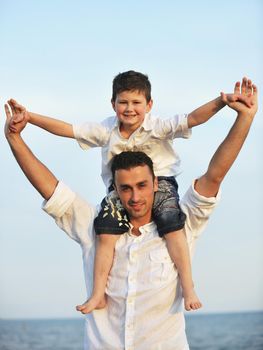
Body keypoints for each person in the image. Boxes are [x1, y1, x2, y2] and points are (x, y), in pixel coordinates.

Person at [5, 77, 257, 349]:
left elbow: (215, 174)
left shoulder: (182, 224)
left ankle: (189, 286)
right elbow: (51, 188)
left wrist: (242, 116)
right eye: (125, 188)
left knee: (173, 224)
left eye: (142, 186)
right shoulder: (97, 227)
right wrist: (17, 134)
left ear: (155, 184)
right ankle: (97, 293)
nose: (135, 197)